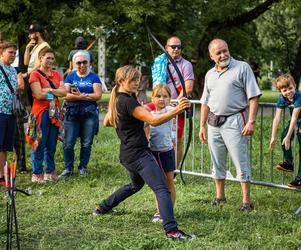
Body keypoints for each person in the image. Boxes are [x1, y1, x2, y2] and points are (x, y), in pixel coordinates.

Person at [94, 65, 194, 241]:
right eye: (132, 80)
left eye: (137, 79)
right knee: (162, 188)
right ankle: (172, 231)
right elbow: (154, 121)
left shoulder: (118, 97)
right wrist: (177, 110)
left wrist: (134, 117)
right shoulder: (127, 101)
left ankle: (103, 207)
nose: (136, 83)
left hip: (128, 153)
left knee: (135, 185)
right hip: (138, 154)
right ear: (121, 81)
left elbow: (108, 122)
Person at [199, 38, 261, 212]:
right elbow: (205, 102)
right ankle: (220, 196)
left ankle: (246, 202)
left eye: (225, 50)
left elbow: (254, 96)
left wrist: (251, 121)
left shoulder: (242, 67)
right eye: (218, 53)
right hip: (213, 122)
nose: (223, 54)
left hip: (235, 120)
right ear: (212, 56)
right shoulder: (210, 74)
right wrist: (202, 126)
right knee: (217, 161)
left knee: (240, 160)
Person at [151, 36, 194, 165]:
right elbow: (155, 85)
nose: (176, 49)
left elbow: (188, 87)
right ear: (166, 48)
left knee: (176, 139)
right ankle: (158, 167)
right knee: (158, 137)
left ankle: (173, 170)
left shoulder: (186, 64)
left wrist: (175, 104)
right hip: (159, 107)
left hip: (176, 107)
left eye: (179, 47)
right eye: (173, 47)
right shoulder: (159, 62)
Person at [26, 47, 66, 183]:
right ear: (41, 58)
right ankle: (37, 174)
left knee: (51, 144)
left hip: (54, 113)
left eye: (52, 58)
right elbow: (38, 94)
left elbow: (64, 92)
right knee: (39, 143)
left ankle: (50, 172)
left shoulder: (57, 74)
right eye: (47, 57)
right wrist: (55, 91)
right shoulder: (34, 74)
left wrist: (49, 90)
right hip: (41, 112)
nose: (50, 60)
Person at [59, 50, 102, 178]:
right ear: (74, 63)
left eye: (85, 62)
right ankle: (68, 168)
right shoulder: (70, 77)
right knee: (68, 143)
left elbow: (98, 95)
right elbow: (65, 95)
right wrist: (85, 96)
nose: (82, 65)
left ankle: (83, 167)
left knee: (87, 143)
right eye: (79, 62)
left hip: (89, 114)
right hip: (72, 114)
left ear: (89, 63)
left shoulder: (94, 77)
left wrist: (80, 95)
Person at [144, 84, 177, 223]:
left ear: (170, 99)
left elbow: (179, 106)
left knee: (169, 182)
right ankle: (159, 211)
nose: (161, 99)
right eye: (158, 96)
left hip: (167, 152)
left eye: (165, 96)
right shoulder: (149, 115)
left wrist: (181, 102)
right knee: (158, 184)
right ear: (152, 98)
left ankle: (168, 211)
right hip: (153, 152)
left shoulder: (170, 110)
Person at [269, 74, 301, 188]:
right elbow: (277, 117)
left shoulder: (298, 96)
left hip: (297, 121)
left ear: (295, 86)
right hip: (297, 123)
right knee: (283, 135)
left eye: (290, 88)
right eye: (284, 90)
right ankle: (289, 163)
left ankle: (299, 179)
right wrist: (273, 137)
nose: (288, 92)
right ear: (280, 91)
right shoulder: (282, 98)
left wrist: (289, 137)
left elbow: (294, 118)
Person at [0, 41, 18, 187]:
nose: (13, 55)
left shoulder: (13, 70)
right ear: (1, 52)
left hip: (10, 113)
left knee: (5, 146)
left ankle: (3, 175)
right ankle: (1, 176)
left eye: (14, 53)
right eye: (10, 52)